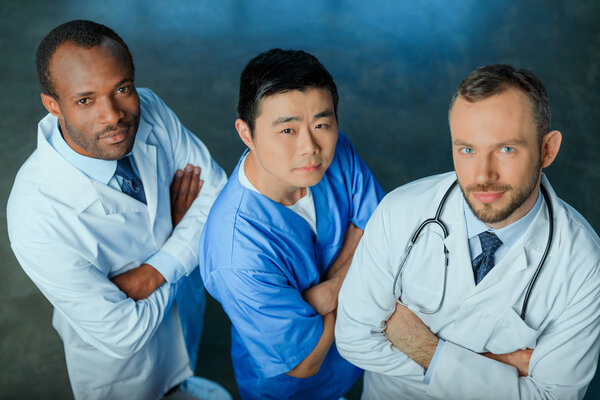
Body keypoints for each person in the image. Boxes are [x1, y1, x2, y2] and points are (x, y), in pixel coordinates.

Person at [335, 64, 600, 399]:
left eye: (506, 149)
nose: (482, 173)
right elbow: (353, 340)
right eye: (467, 150)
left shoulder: (584, 264)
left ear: (547, 149)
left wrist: (425, 348)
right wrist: (500, 366)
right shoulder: (400, 211)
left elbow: (551, 396)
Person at [7, 20, 231, 400]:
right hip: (118, 369)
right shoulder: (36, 217)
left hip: (178, 308)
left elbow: (218, 196)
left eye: (122, 88)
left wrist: (150, 273)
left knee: (181, 363)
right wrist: (176, 240)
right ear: (52, 105)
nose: (113, 116)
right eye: (84, 100)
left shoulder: (151, 107)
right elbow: (123, 334)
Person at [197, 49, 385, 399]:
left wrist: (328, 292)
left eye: (321, 124)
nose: (310, 147)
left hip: (355, 355)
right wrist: (360, 261)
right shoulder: (237, 253)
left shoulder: (337, 150)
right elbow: (304, 362)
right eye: (287, 129)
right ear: (247, 133)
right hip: (290, 390)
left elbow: (385, 233)